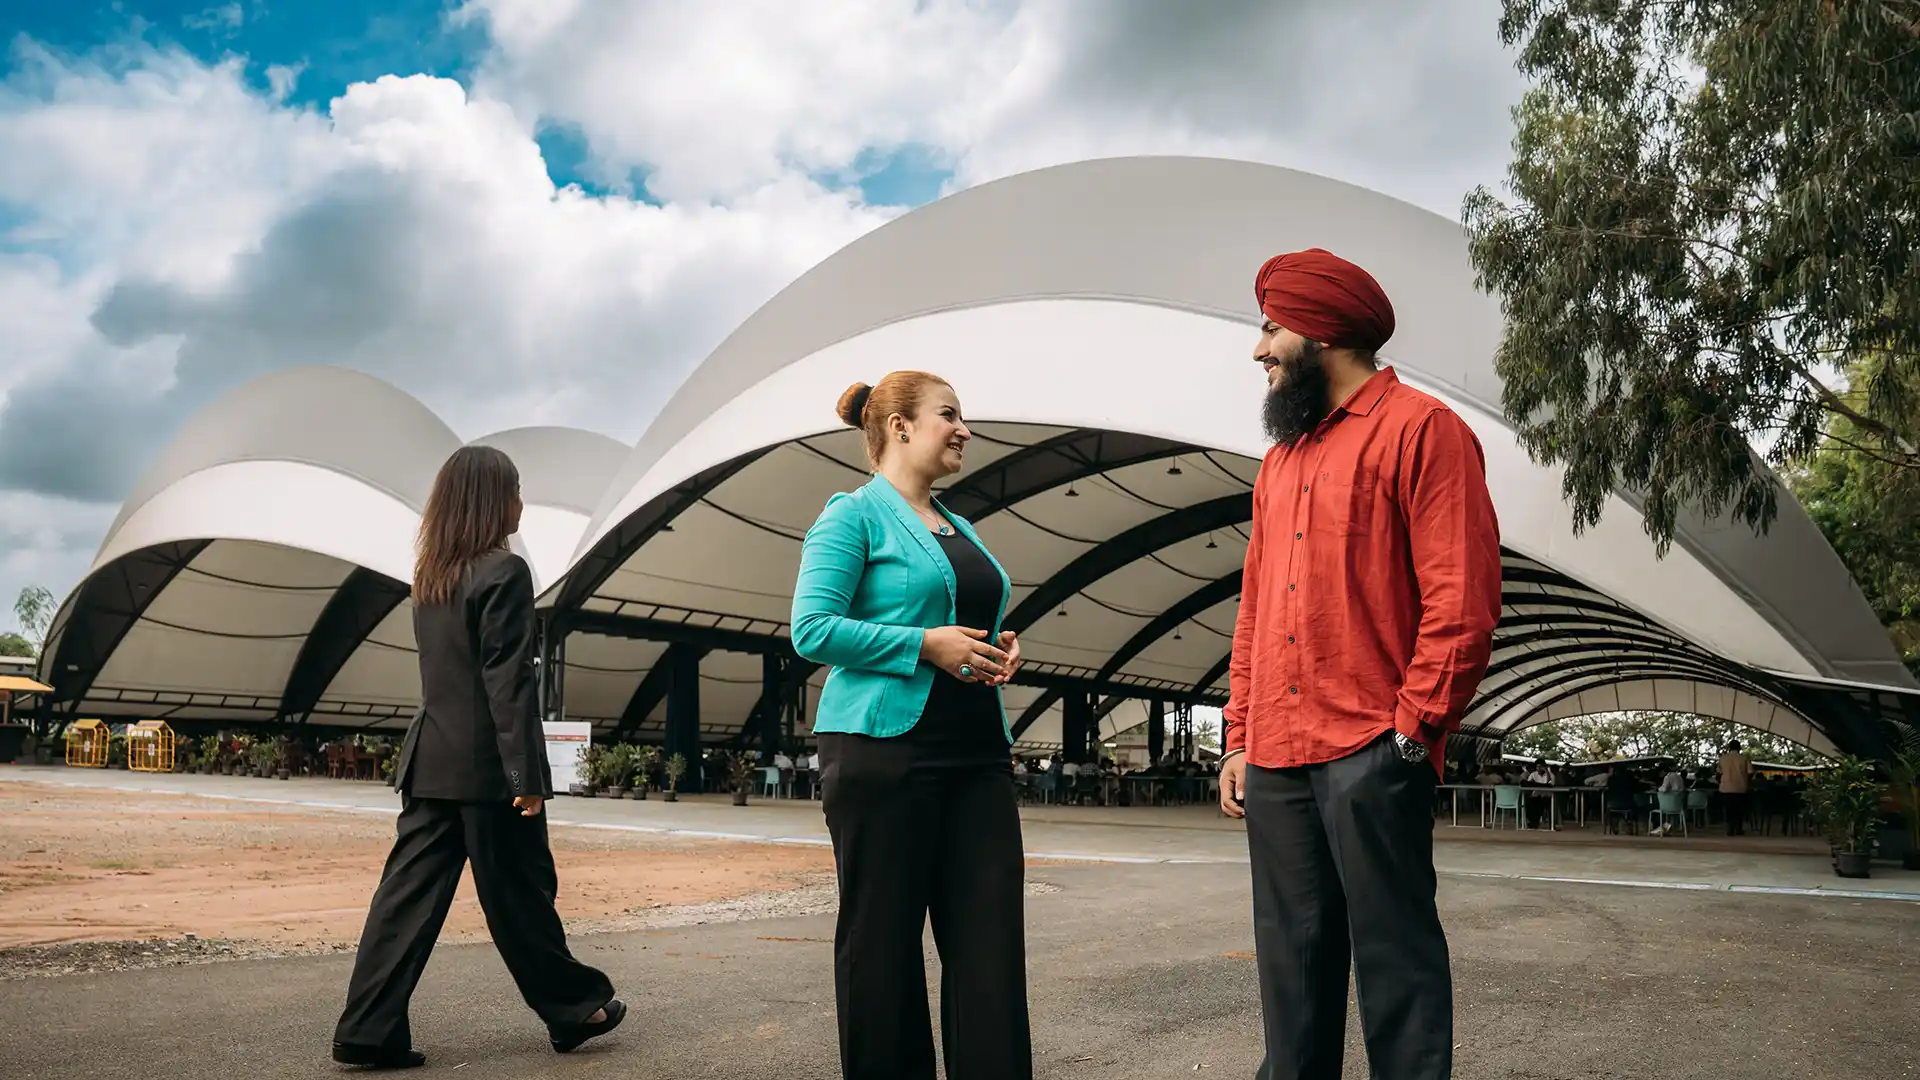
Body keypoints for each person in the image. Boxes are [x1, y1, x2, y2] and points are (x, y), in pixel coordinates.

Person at [1218, 248, 1503, 1080]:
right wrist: (1240, 733)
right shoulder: (1281, 461)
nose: (1260, 350)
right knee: (1291, 971)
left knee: (1395, 965)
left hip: (1371, 748)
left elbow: (1462, 602)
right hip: (1277, 755)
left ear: (1322, 331)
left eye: (1272, 328)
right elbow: (1255, 611)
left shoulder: (1423, 431)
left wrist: (1411, 733)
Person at [332, 446, 624, 1069]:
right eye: (515, 490)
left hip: (430, 764)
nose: (521, 502)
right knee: (520, 896)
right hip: (488, 773)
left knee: (404, 900)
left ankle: (368, 1027)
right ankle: (574, 1010)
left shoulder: (431, 576)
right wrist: (526, 775)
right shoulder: (505, 572)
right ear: (493, 500)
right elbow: (506, 680)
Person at [791, 370, 1031, 1080]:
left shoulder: (959, 526)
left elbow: (962, 615)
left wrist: (995, 645)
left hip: (978, 757)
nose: (964, 429)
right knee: (883, 946)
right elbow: (812, 629)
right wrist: (925, 645)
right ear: (899, 426)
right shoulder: (852, 516)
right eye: (949, 414)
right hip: (883, 752)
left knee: (990, 945)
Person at [1719, 739, 1753, 835]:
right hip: (1740, 787)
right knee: (1739, 809)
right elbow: (1750, 772)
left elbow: (1719, 772)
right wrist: (1746, 781)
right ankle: (1738, 828)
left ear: (1729, 748)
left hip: (1725, 788)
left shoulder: (1723, 758)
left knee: (1728, 809)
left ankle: (1730, 828)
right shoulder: (1744, 758)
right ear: (1739, 748)